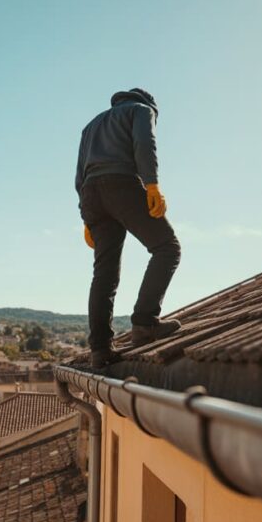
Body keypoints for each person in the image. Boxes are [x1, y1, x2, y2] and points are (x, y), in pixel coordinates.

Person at [75, 88, 182, 368]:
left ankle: (100, 349)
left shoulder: (91, 126)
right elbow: (144, 144)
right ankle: (145, 324)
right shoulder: (142, 111)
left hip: (91, 194)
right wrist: (152, 183)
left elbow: (79, 174)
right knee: (167, 248)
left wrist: (86, 218)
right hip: (121, 182)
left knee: (105, 272)